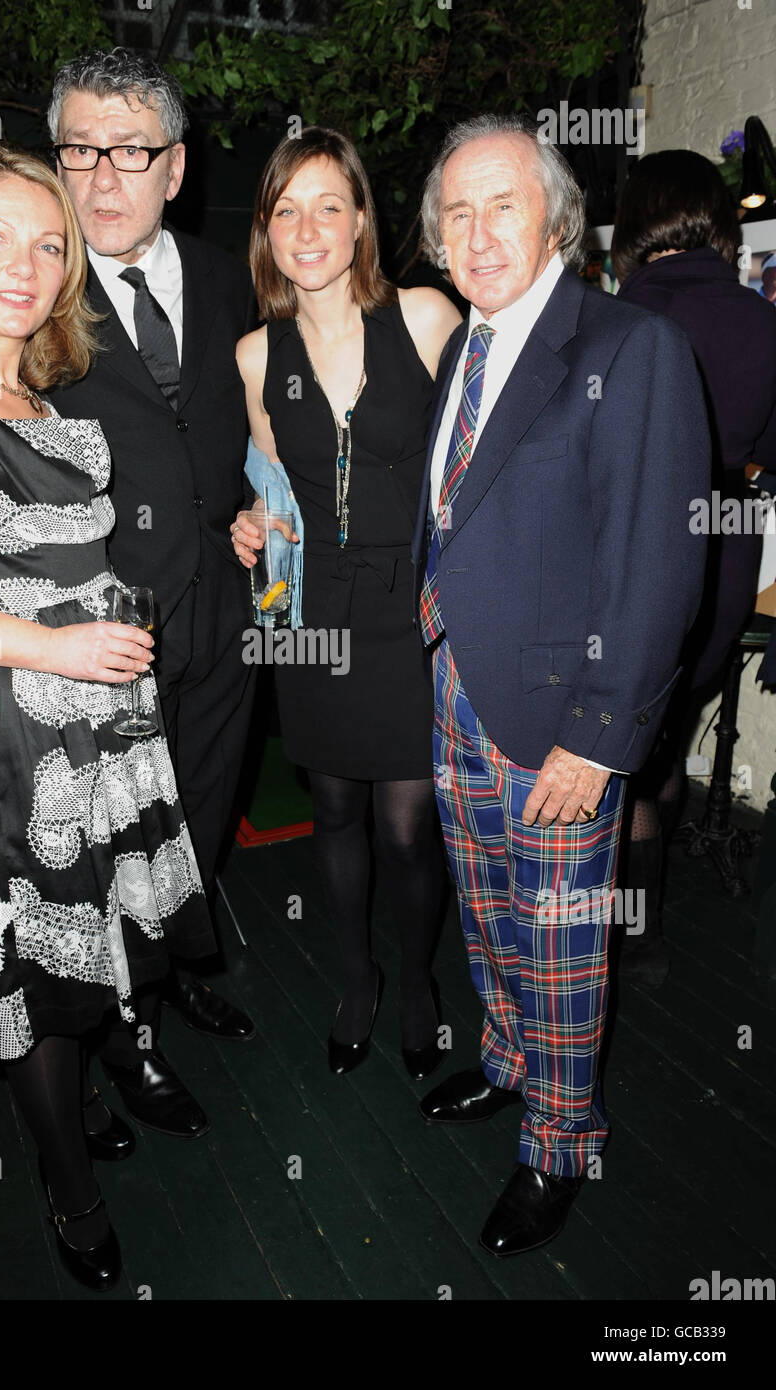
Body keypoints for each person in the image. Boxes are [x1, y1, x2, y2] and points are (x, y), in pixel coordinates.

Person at [0, 145, 217, 1290]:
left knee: (98, 937)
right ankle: (64, 1179)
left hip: (97, 722)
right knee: (40, 984)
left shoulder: (33, 394)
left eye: (49, 242)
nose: (27, 262)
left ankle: (97, 1098)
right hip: (11, 741)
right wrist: (53, 643)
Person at [0, 47, 257, 1143]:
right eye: (82, 151)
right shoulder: (33, 299)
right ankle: (108, 1050)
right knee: (75, 869)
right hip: (66, 661)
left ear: (175, 167)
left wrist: (257, 504)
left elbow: (256, 416)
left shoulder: (230, 277)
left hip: (218, 619)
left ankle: (168, 981)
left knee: (180, 829)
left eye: (133, 152)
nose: (105, 178)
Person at [413, 114, 710, 1257]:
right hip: (456, 689)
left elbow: (655, 560)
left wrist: (601, 738)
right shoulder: (462, 349)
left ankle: (557, 1139)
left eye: (503, 206)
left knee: (561, 938)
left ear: (558, 222)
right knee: (488, 916)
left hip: (560, 719)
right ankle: (507, 1063)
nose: (479, 233)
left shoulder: (629, 348)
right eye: (457, 213)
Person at [231, 127, 462, 1077]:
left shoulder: (424, 316)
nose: (307, 226)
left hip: (409, 609)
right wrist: (253, 524)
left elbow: (477, 464)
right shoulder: (255, 355)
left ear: (362, 219)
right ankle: (355, 976)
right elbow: (272, 485)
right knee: (332, 810)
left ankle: (417, 979)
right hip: (313, 612)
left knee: (408, 826)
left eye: (329, 204)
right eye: (285, 210)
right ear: (267, 234)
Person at [611, 150, 776, 987]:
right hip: (726, 557)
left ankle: (629, 935)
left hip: (638, 559)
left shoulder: (618, 317)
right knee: (667, 742)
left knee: (626, 750)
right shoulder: (760, 317)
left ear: (639, 218)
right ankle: (646, 929)